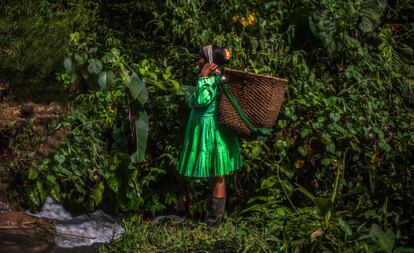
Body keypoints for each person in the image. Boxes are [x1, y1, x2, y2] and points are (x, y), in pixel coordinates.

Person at [176, 44, 242, 226]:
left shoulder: (213, 79)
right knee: (215, 177)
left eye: (200, 58)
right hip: (209, 129)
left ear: (209, 62)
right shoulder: (217, 78)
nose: (197, 61)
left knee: (217, 177)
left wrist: (203, 77)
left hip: (211, 131)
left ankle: (213, 223)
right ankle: (213, 221)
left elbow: (199, 100)